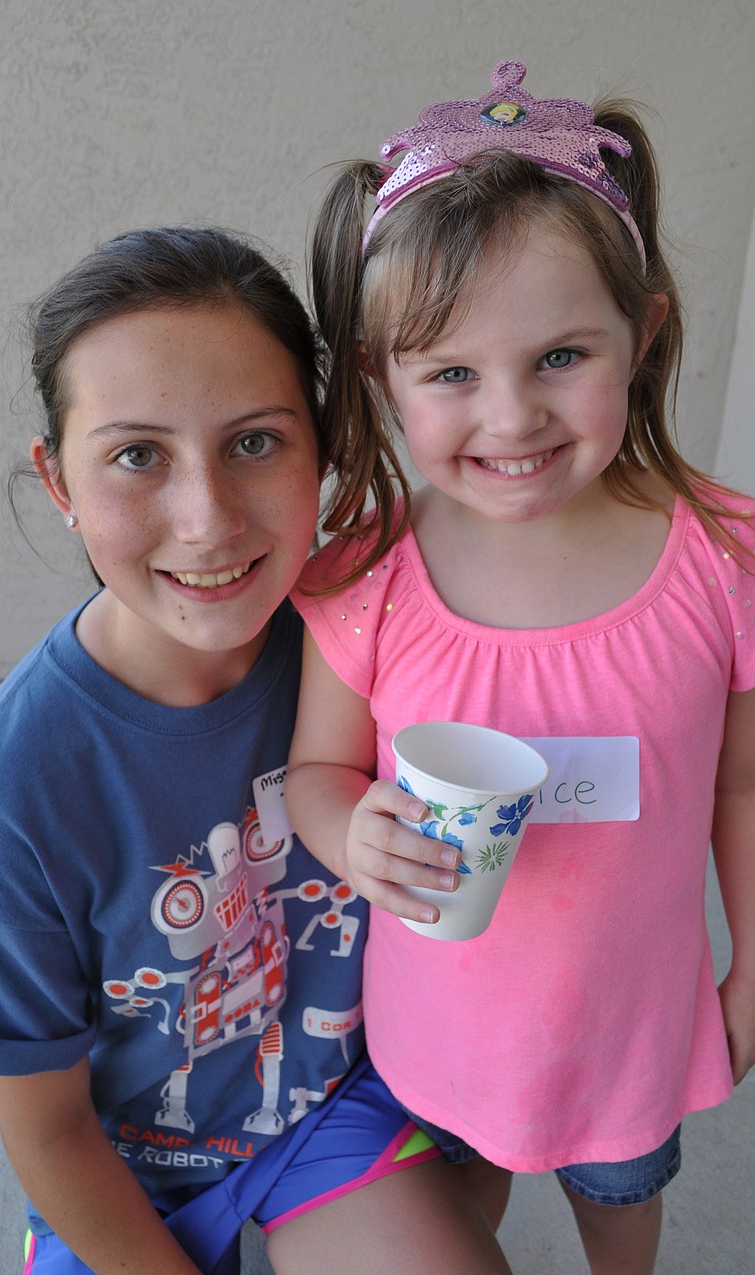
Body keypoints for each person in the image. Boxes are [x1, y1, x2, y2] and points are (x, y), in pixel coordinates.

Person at [0, 227, 512, 1275]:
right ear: (58, 481)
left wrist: (476, 1168)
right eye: (137, 455)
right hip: (121, 1165)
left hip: (331, 1115)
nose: (207, 521)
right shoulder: (16, 793)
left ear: (321, 445)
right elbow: (48, 1131)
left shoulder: (376, 651)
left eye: (254, 442)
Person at [286, 60, 755, 1275]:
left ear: (642, 335)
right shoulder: (366, 578)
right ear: (382, 376)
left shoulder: (722, 560)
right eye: (449, 373)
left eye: (559, 357)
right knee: (455, 1213)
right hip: (442, 1028)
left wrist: (752, 970)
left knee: (623, 1193)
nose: (510, 418)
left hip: (631, 1027)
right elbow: (319, 770)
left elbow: (742, 790)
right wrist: (353, 832)